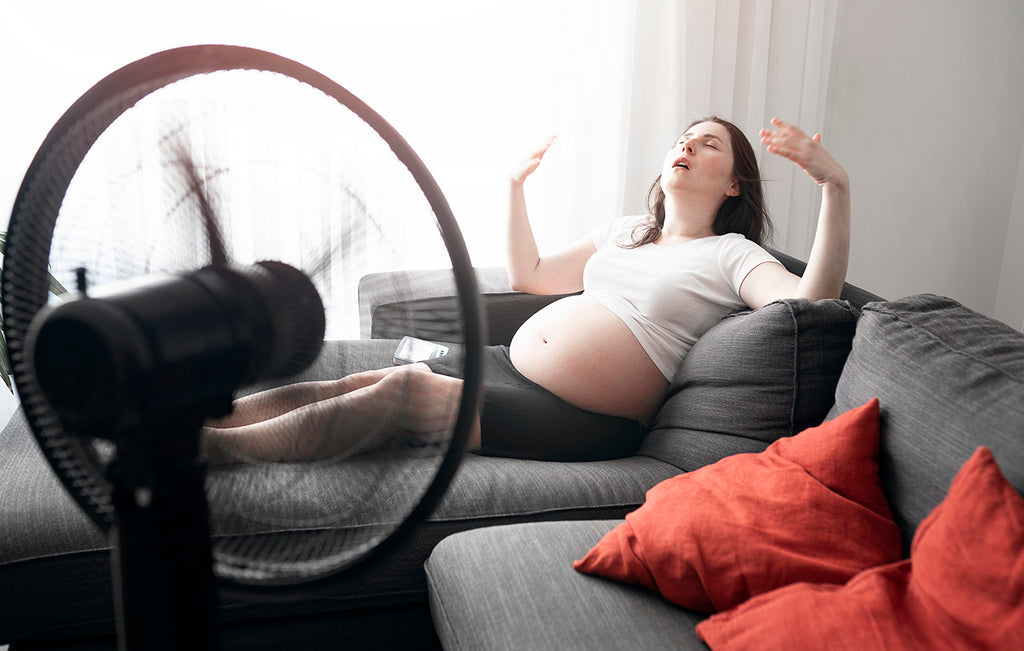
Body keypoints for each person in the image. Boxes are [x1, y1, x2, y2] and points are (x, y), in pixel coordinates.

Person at [201, 116, 850, 464]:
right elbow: (529, 276)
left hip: (589, 420)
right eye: (684, 136)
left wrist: (833, 188)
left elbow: (810, 304)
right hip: (511, 365)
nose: (686, 143)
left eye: (708, 144)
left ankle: (202, 454)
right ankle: (202, 423)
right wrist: (514, 188)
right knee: (360, 380)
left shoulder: (731, 253)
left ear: (734, 184)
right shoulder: (627, 231)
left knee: (402, 394)